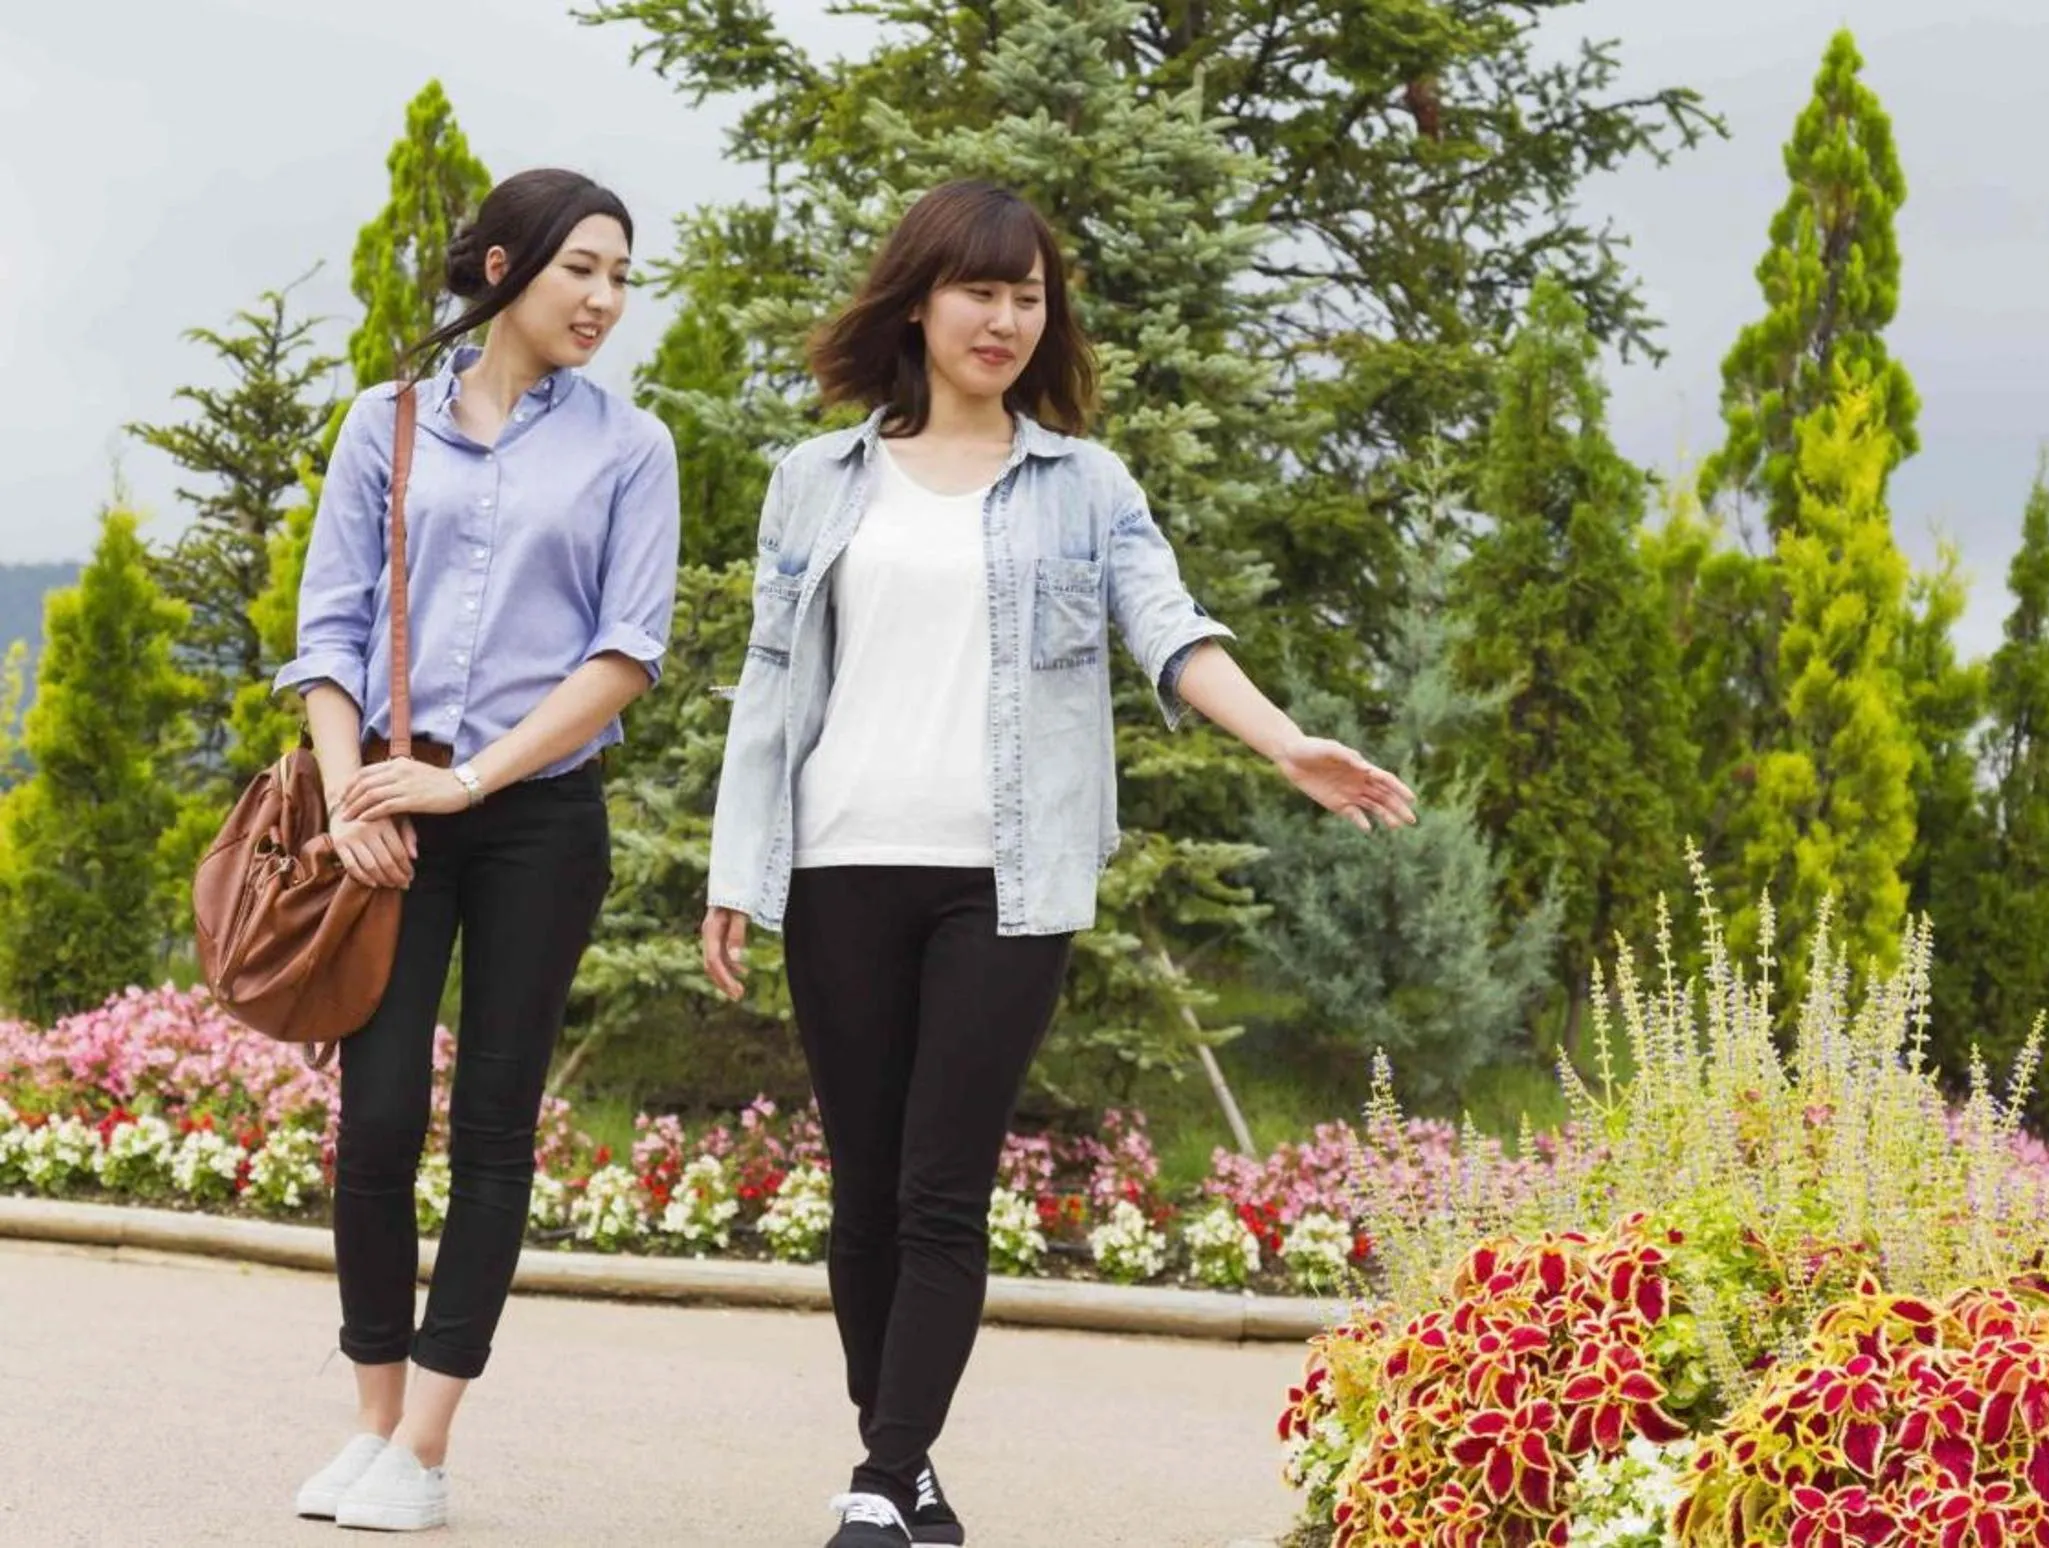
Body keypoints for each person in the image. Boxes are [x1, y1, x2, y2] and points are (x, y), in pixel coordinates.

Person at [701, 179, 1416, 1548]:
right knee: (862, 1190)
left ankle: (877, 1474)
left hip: (1005, 883)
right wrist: (742, 867)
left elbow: (1171, 628)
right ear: (918, 298)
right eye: (980, 289)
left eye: (1029, 295)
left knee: (939, 1183)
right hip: (844, 861)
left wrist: (1283, 743)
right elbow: (769, 688)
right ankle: (899, 1470)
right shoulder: (817, 479)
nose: (1006, 318)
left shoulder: (1082, 486)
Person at [276, 168, 681, 1533]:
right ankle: (374, 1423)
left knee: (494, 1127)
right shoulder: (382, 427)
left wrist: (480, 785)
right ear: (504, 267)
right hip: (391, 805)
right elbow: (327, 635)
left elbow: (627, 651)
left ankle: (429, 1449)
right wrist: (352, 798)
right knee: (377, 1118)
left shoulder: (632, 449)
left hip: (538, 820)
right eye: (583, 269)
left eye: (622, 276)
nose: (606, 300)